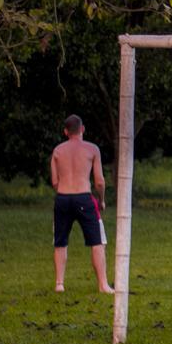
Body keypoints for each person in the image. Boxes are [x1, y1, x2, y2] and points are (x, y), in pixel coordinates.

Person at [50, 114, 113, 293]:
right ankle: (103, 284)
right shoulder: (92, 149)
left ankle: (59, 284)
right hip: (84, 197)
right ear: (82, 129)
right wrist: (101, 200)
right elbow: (99, 181)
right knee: (97, 241)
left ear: (65, 132)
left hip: (62, 198)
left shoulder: (57, 151)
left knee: (60, 241)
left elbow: (54, 182)